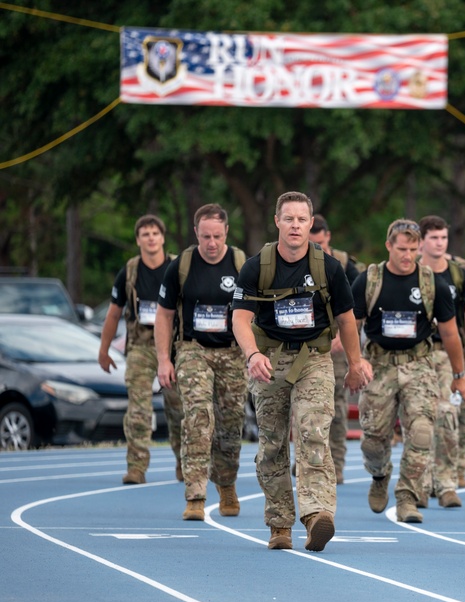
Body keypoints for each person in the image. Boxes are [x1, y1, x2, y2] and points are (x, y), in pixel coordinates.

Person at [232, 191, 370, 552]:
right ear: (277, 221)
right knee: (272, 444)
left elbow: (347, 320)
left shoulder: (328, 267)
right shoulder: (256, 266)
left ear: (312, 224)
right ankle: (279, 524)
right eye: (288, 218)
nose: (295, 225)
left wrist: (355, 365)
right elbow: (240, 319)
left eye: (302, 219)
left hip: (313, 358)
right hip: (269, 360)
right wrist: (252, 355)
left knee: (312, 433)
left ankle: (316, 514)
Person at [354, 219, 465, 524]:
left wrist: (460, 375)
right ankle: (379, 475)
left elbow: (449, 334)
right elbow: (350, 325)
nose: (406, 255)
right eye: (400, 249)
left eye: (411, 249)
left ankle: (407, 497)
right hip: (379, 366)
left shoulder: (433, 284)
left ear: (418, 248)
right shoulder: (369, 280)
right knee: (374, 438)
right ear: (388, 246)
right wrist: (357, 362)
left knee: (421, 432)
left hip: (419, 364)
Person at [155, 204, 247, 522]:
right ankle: (195, 495)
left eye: (217, 236)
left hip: (232, 353)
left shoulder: (240, 264)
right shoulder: (180, 266)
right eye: (205, 236)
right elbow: (164, 316)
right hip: (193, 350)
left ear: (226, 233)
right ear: (196, 233)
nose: (211, 243)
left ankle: (227, 484)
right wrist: (164, 359)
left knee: (231, 425)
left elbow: (254, 313)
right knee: (198, 417)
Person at [99, 214, 185, 485]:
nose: (150, 238)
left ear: (162, 238)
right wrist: (104, 350)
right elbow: (113, 314)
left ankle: (185, 463)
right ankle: (136, 467)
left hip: (173, 347)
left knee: (178, 408)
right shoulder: (130, 271)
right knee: (138, 407)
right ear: (138, 240)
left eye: (155, 233)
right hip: (139, 346)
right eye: (145, 233)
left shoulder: (177, 268)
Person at [417, 215, 465, 505]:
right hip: (415, 353)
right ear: (421, 242)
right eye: (434, 238)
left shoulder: (458, 274)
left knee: (450, 415)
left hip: (449, 352)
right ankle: (419, 479)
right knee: (418, 418)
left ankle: (448, 480)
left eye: (443, 238)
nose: (439, 244)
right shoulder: (410, 271)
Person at [308, 214, 363, 484]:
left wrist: (345, 335)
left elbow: (358, 305)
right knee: (305, 407)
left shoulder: (344, 266)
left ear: (327, 237)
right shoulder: (300, 262)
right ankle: (308, 459)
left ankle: (337, 465)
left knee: (337, 408)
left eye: (319, 241)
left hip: (337, 345)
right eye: (311, 242)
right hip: (308, 344)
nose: (316, 246)